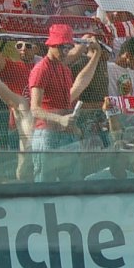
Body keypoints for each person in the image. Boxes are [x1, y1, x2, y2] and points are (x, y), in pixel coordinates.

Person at [28, 23, 102, 182]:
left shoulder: (64, 69)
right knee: (45, 185)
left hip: (65, 135)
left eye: (67, 47)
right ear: (51, 45)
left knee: (72, 184)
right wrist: (60, 119)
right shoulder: (42, 69)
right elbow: (34, 109)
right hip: (47, 134)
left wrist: (97, 54)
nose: (65, 51)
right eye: (61, 47)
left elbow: (80, 84)